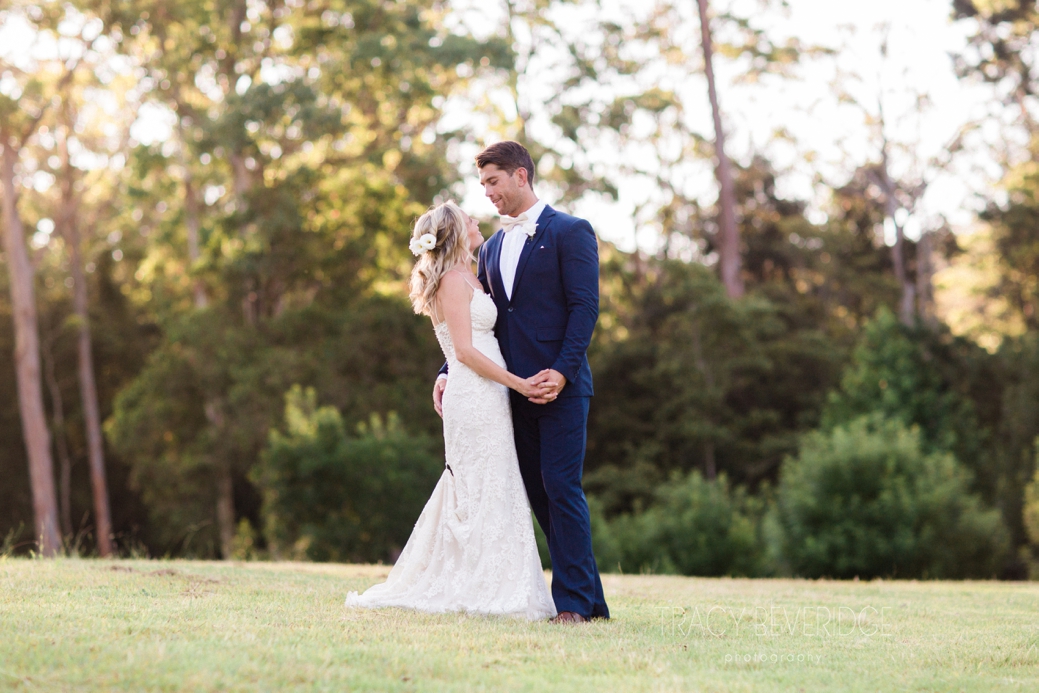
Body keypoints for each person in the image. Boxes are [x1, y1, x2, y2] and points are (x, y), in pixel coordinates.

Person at [345, 200, 556, 620]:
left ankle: (501, 580)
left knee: (495, 483)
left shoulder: (469, 277)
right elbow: (463, 351)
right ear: (455, 232)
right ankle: (481, 585)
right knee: (480, 484)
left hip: (488, 394)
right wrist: (518, 383)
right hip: (477, 395)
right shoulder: (452, 283)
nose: (477, 220)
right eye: (468, 218)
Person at [434, 141, 610, 623]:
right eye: (483, 183)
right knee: (537, 493)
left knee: (561, 486)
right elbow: (477, 325)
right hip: (507, 394)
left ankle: (572, 605)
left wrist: (562, 370)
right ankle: (591, 602)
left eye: (493, 181)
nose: (487, 192)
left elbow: (584, 309)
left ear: (521, 176)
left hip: (561, 388)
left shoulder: (571, 231)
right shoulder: (488, 249)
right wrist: (448, 370)